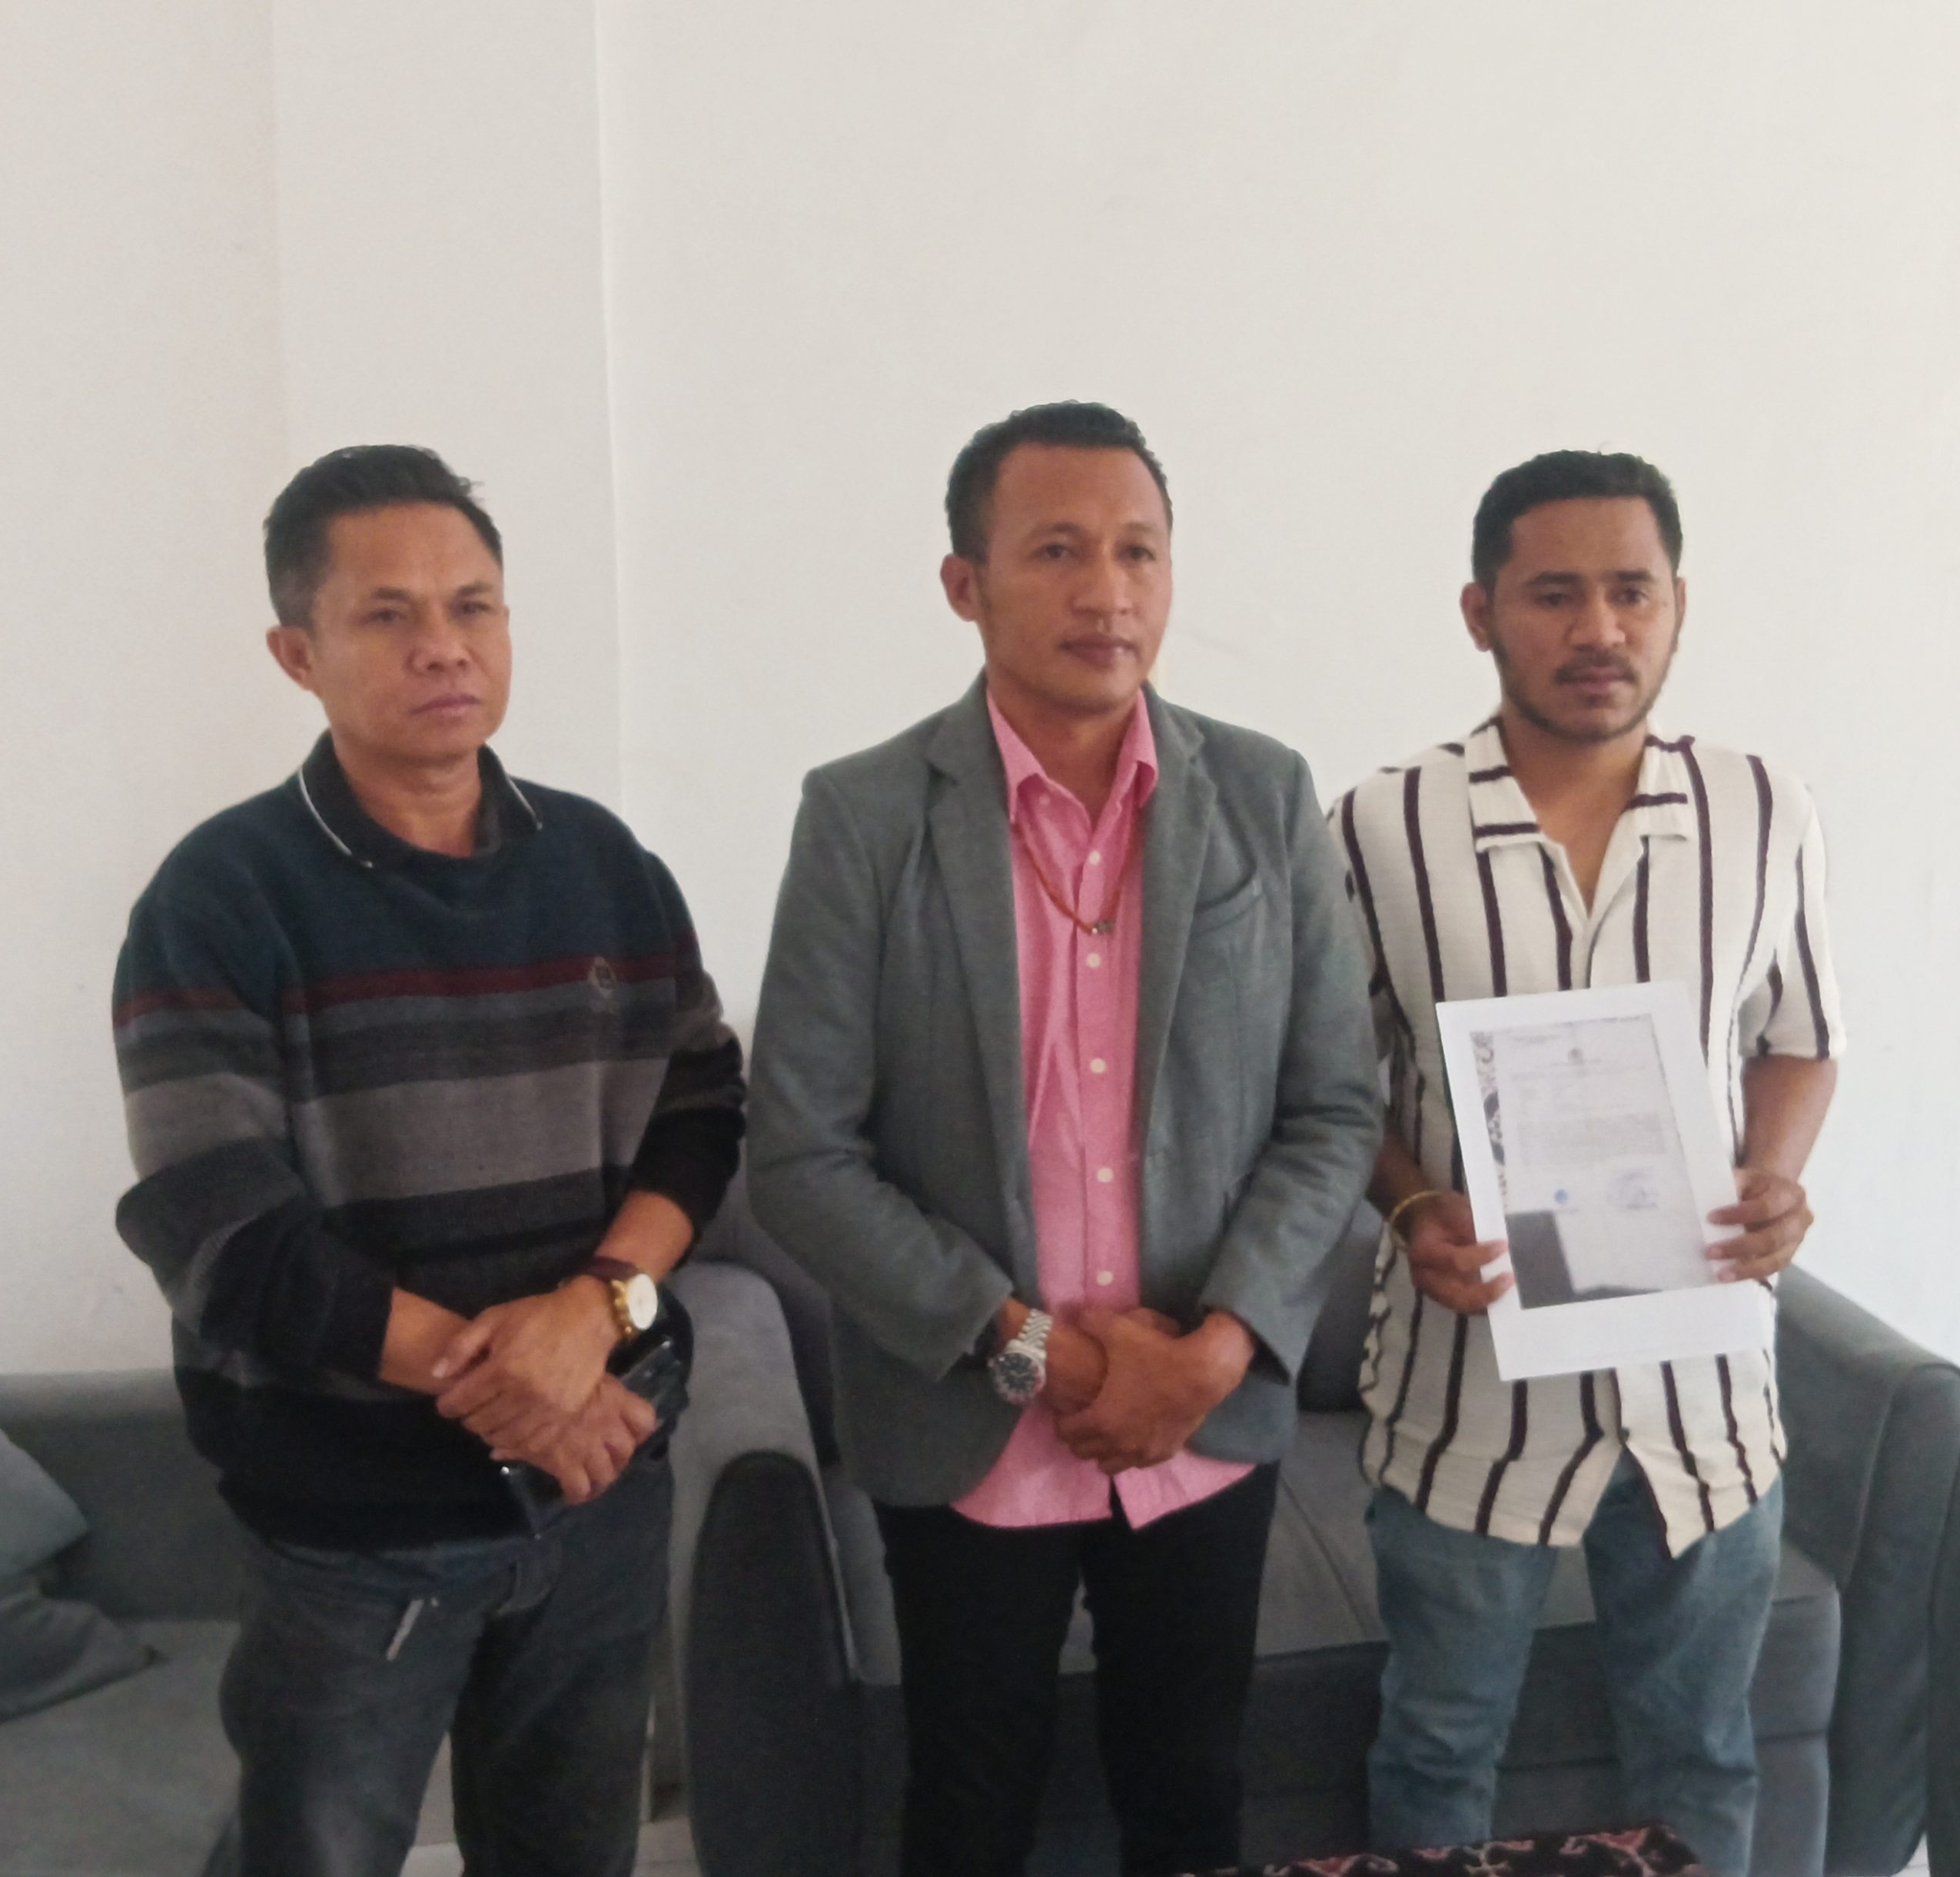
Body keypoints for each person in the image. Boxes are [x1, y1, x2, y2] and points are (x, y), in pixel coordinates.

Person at [747, 400, 1380, 1877]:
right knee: (969, 1806)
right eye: (1057, 551)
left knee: (1192, 1793)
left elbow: (1333, 1107)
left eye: (1138, 551)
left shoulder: (1264, 794)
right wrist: (1034, 1348)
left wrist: (1218, 1348)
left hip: (1202, 1410)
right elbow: (802, 1152)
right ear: (964, 583)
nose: (1108, 591)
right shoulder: (865, 816)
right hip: (970, 1412)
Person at [111, 445, 744, 1877]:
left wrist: (592, 1316)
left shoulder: (605, 865)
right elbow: (223, 1234)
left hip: (598, 1493)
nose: (444, 645)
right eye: (387, 613)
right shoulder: (220, 896)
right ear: (298, 651)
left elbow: (701, 1112)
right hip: (356, 1531)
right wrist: (529, 1387)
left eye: (474, 605)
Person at [1334, 450, 1842, 1873]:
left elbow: (1800, 1037)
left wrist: (1775, 1174)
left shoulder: (1762, 807)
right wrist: (1412, 1204)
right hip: (1471, 1388)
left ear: (1679, 603)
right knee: (1439, 1750)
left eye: (1632, 591)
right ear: (1480, 611)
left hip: (1704, 1395)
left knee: (1700, 1757)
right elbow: (1330, 1083)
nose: (1599, 629)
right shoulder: (1384, 822)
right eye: (1554, 594)